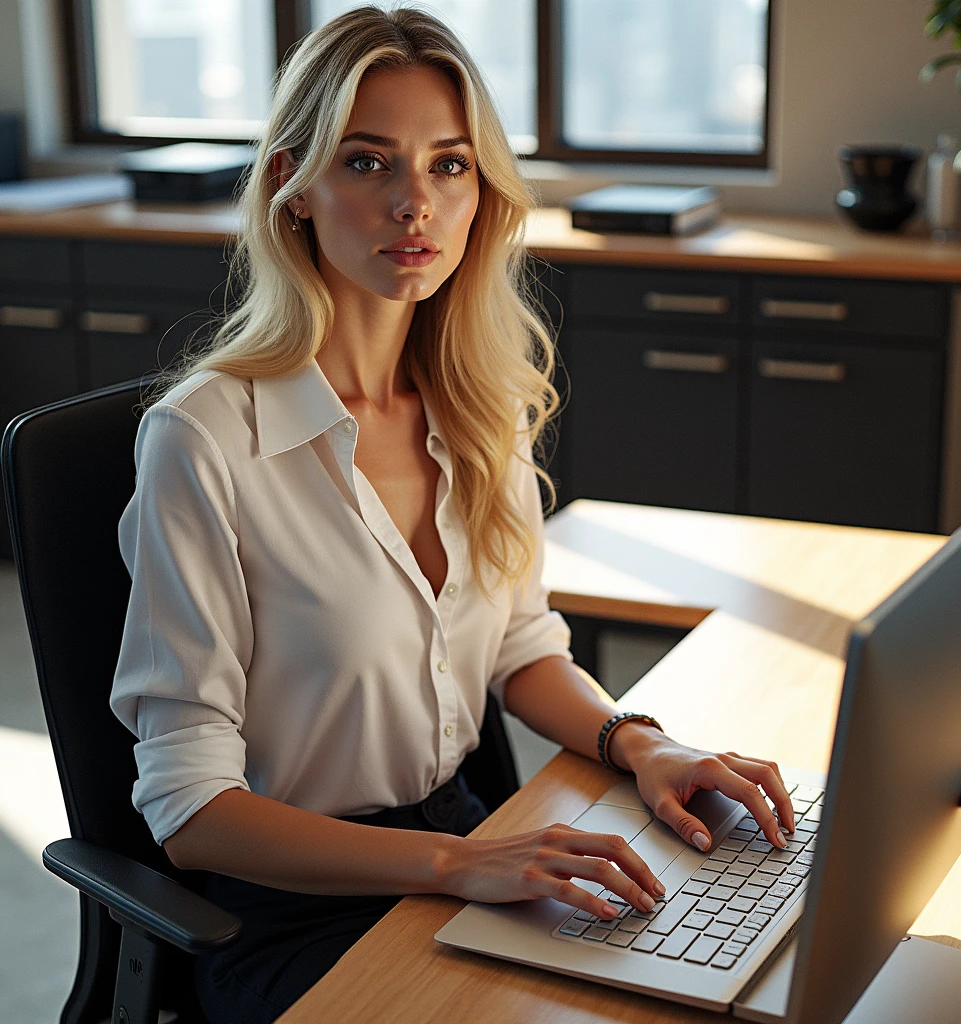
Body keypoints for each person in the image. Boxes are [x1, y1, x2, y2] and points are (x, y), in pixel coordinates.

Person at [109, 7, 795, 1022]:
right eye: (369, 162)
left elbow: (518, 647)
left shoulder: (475, 408)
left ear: (483, 194)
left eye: (449, 166)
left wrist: (639, 743)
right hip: (298, 906)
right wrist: (460, 860)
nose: (412, 205)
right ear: (292, 188)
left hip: (473, 841)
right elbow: (191, 811)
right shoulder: (205, 441)